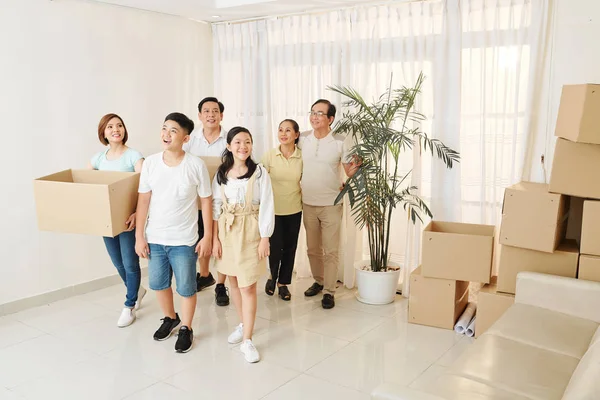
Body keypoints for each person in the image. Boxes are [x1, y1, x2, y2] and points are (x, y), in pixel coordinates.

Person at [135, 112, 213, 353]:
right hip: (156, 238)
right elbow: (143, 202)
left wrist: (207, 236)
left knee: (187, 288)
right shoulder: (150, 163)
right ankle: (170, 318)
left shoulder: (195, 165)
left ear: (186, 138)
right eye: (164, 129)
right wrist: (140, 236)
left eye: (173, 131)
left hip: (184, 240)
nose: (166, 134)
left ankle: (186, 328)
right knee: (159, 285)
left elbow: (207, 202)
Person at [212, 127, 274, 363]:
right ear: (229, 146)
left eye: (247, 142)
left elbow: (268, 204)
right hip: (227, 231)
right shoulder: (221, 173)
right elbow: (216, 207)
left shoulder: (259, 173)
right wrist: (216, 238)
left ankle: (247, 340)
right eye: (237, 142)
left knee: (248, 285)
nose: (243, 146)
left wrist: (265, 237)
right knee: (234, 282)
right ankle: (242, 323)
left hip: (251, 231)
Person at [298, 99, 359, 309]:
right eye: (312, 112)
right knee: (312, 249)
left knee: (331, 250)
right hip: (307, 202)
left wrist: (355, 169)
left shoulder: (340, 141)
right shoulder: (303, 139)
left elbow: (349, 170)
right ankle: (319, 280)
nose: (314, 116)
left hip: (331, 204)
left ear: (330, 119)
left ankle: (329, 291)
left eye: (320, 113)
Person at [88, 113, 146, 328]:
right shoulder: (98, 159)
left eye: (119, 125)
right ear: (103, 132)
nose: (116, 129)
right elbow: (87, 187)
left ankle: (129, 305)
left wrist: (137, 214)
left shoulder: (134, 156)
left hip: (128, 220)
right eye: (110, 126)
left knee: (130, 263)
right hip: (107, 220)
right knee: (118, 262)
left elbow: (144, 188)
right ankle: (137, 290)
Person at [183, 96, 230, 307]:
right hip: (198, 201)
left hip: (224, 200)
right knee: (202, 238)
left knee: (222, 242)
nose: (211, 115)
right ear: (200, 115)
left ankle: (221, 284)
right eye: (206, 111)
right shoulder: (189, 140)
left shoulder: (230, 139)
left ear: (221, 115)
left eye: (215, 111)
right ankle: (204, 275)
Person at [261, 119, 302, 301]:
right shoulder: (269, 156)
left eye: (288, 130)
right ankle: (272, 276)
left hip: (294, 208)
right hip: (273, 210)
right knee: (275, 248)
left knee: (290, 248)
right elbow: (259, 181)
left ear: (296, 135)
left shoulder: (302, 156)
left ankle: (283, 283)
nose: (283, 134)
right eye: (280, 130)